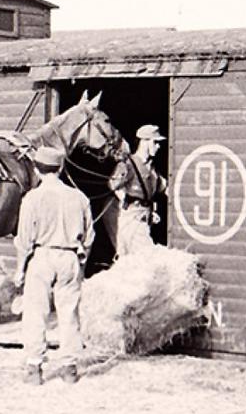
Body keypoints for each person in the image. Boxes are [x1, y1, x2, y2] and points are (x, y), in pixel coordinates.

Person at [13, 146, 94, 385]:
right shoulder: (79, 197)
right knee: (69, 314)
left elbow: (24, 239)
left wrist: (19, 269)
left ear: (37, 170)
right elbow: (89, 236)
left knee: (36, 313)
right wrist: (82, 262)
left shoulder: (32, 198)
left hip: (42, 257)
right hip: (69, 257)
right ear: (60, 168)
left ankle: (34, 368)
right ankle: (69, 368)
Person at [108, 124, 168, 256]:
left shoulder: (152, 169)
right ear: (145, 142)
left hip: (145, 217)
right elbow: (113, 184)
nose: (158, 147)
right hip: (132, 218)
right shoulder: (128, 164)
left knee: (134, 260)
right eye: (155, 142)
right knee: (147, 256)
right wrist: (126, 199)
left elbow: (164, 187)